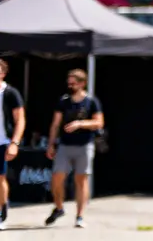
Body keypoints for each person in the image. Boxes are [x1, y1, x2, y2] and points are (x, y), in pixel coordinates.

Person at [45, 69, 103, 229]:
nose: (70, 86)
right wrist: (51, 144)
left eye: (74, 83)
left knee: (81, 180)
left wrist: (80, 123)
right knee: (57, 177)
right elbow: (55, 124)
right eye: (69, 83)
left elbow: (99, 122)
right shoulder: (63, 101)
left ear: (82, 83)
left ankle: (80, 216)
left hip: (84, 145)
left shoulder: (91, 101)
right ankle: (59, 207)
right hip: (65, 144)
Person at [0, 58, 25, 232]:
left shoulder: (10, 93)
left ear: (3, 74)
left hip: (2, 142)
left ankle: (0, 211)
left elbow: (20, 119)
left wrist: (14, 142)